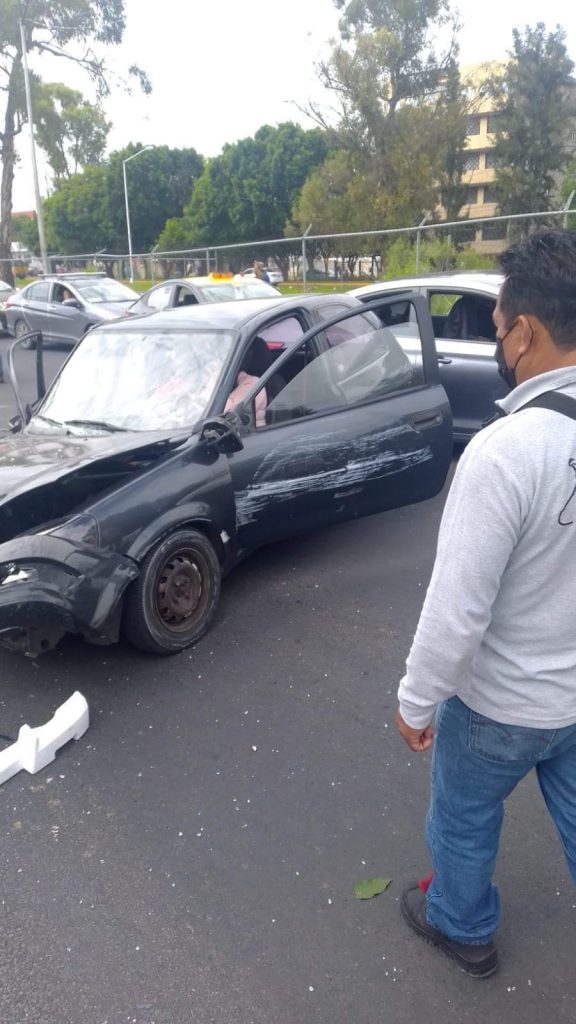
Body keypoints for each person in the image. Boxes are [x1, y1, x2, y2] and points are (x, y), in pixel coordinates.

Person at [396, 230, 576, 979]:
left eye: (497, 330)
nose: (498, 345)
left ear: (526, 331)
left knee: (464, 819)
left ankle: (463, 927)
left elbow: (458, 609)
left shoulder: (505, 452)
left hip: (500, 706)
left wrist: (417, 701)